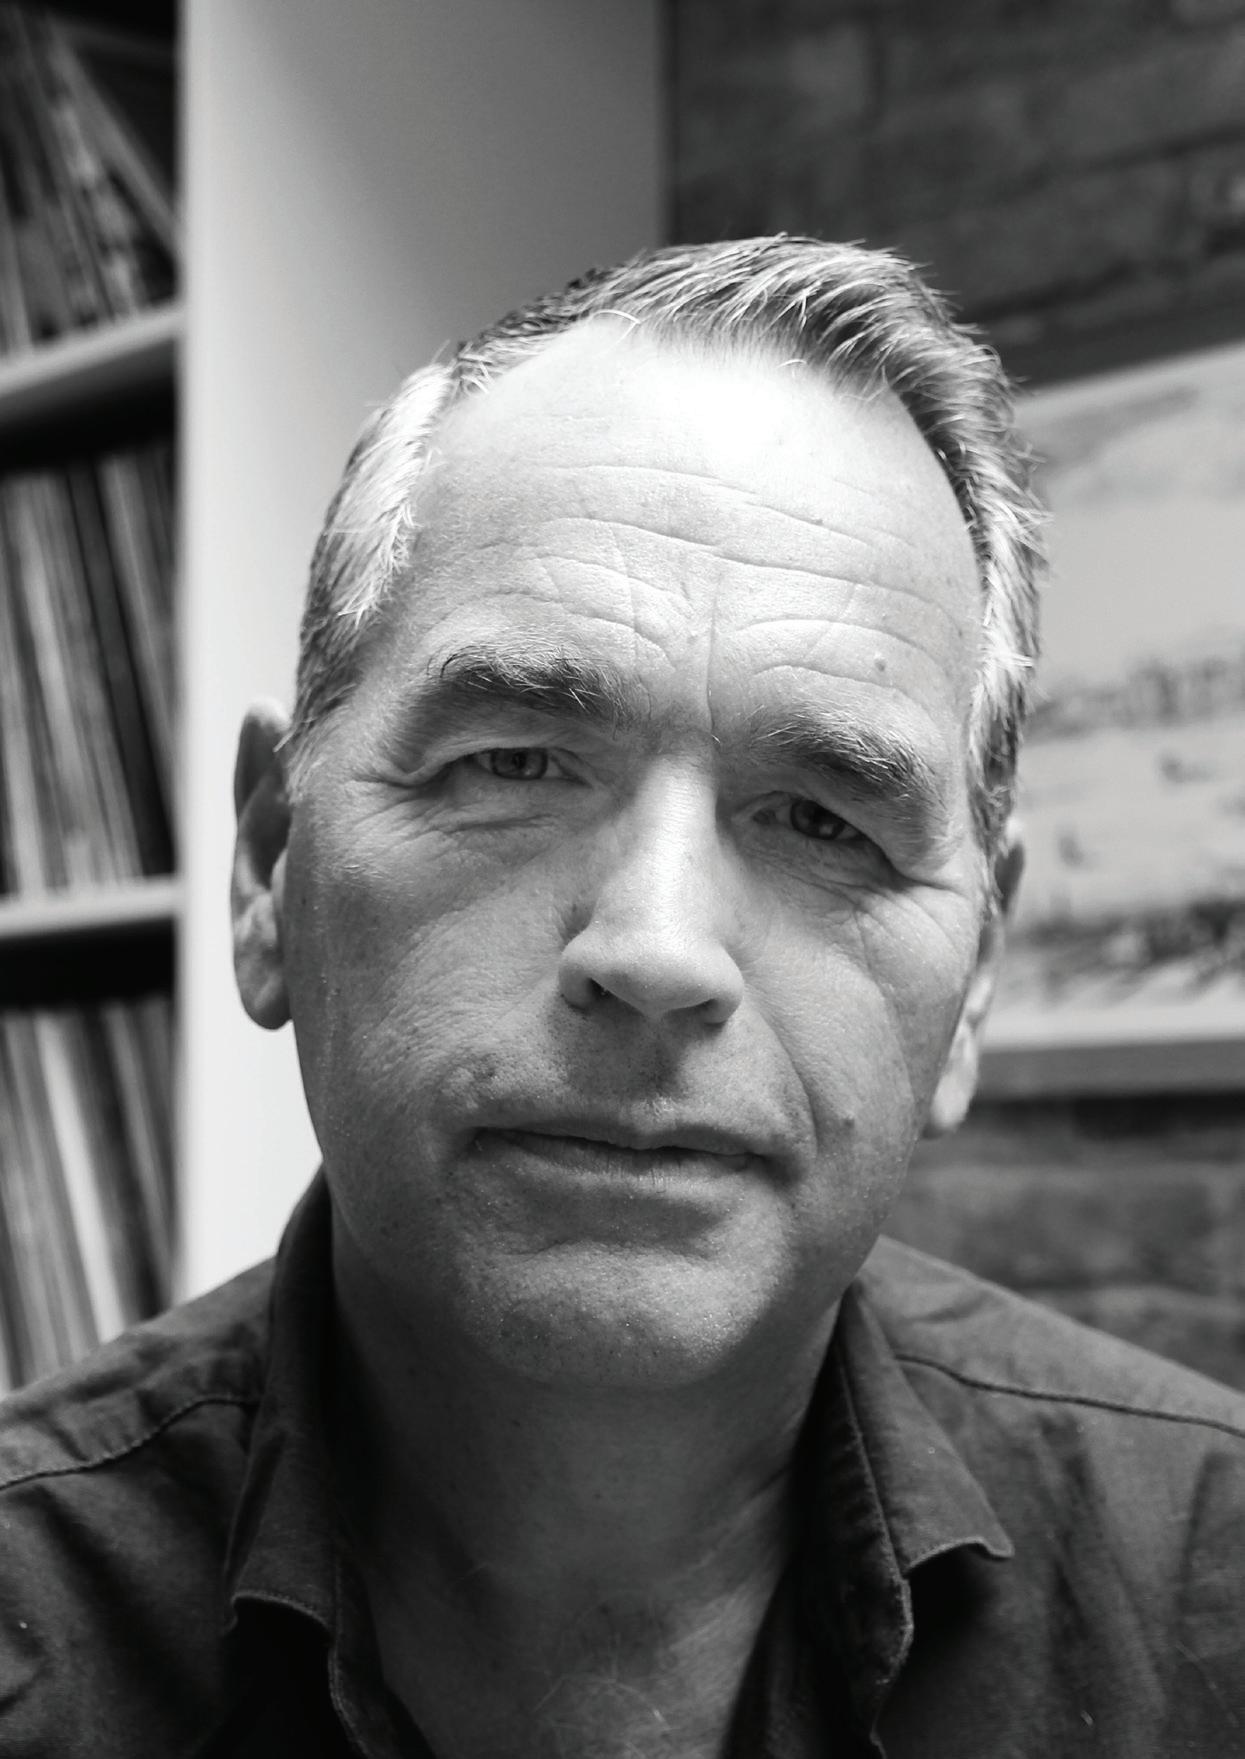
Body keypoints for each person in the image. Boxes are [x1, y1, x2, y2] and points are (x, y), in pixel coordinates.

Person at [0, 237, 1242, 1759]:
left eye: (824, 821)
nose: (656, 949)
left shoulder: (1212, 1595)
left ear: (976, 972)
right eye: (514, 764)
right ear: (271, 865)